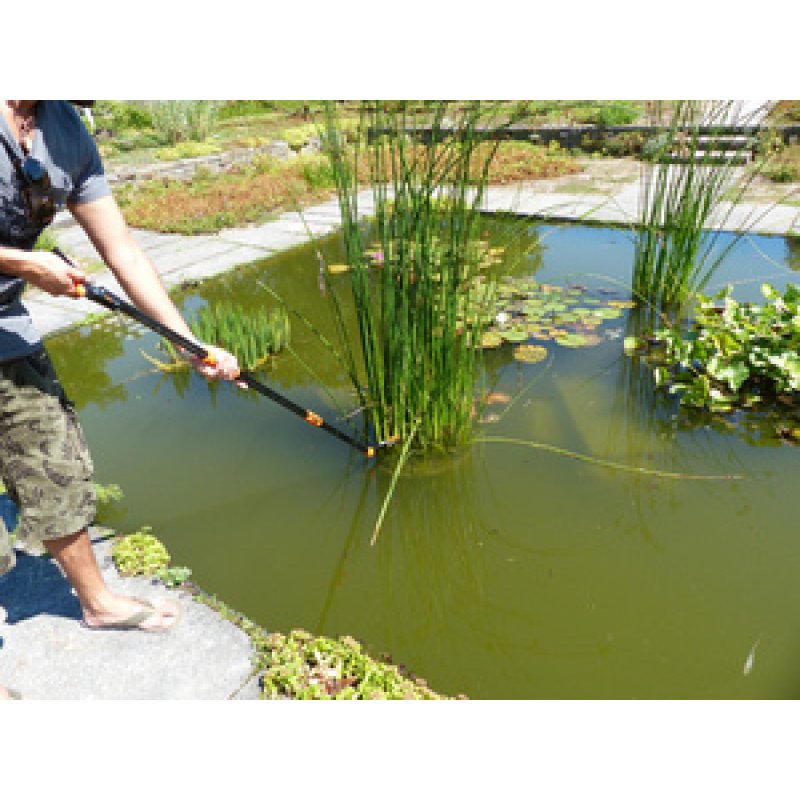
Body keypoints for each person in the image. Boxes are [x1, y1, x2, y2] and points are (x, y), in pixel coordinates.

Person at [0, 100, 241, 700]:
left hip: (4, 325)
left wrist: (186, 340)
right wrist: (22, 262)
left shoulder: (67, 129)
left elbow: (122, 249)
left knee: (55, 463)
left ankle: (98, 601)